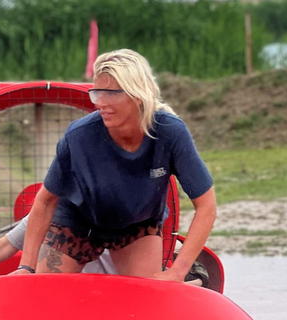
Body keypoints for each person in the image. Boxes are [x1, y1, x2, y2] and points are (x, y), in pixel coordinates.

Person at [13, 49, 216, 281]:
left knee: (148, 292)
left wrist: (177, 272)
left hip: (136, 223)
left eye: (110, 94)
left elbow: (206, 206)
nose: (100, 103)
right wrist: (26, 267)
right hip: (78, 221)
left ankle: (188, 280)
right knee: (47, 291)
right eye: (97, 93)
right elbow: (45, 201)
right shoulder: (79, 136)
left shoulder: (170, 132)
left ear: (138, 94)